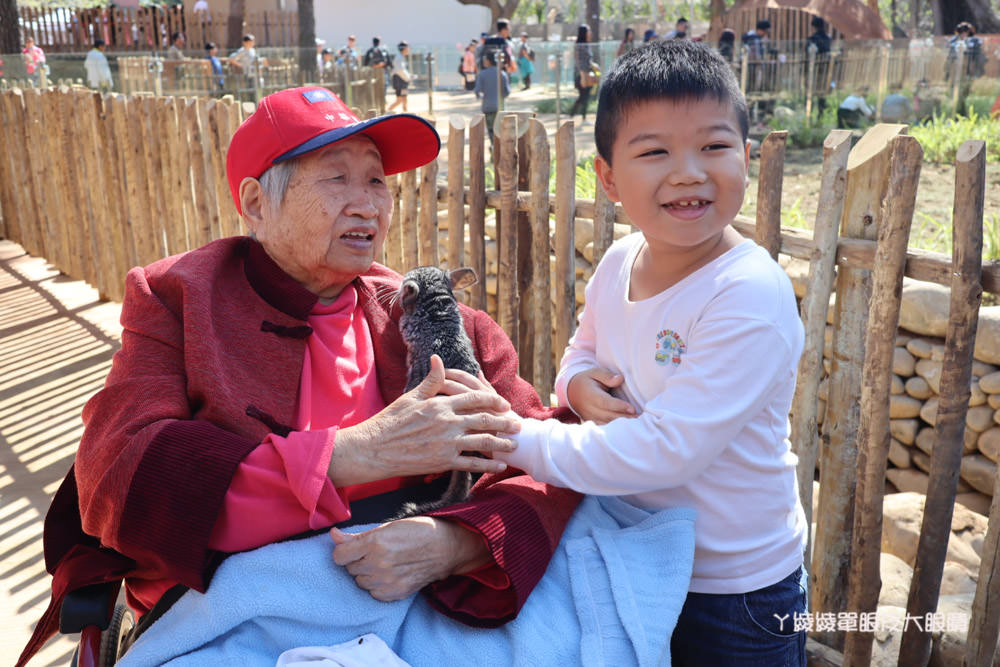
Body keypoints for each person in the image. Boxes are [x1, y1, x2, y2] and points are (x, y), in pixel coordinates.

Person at [17, 86, 582, 666]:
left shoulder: (441, 326)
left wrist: (457, 544)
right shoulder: (178, 301)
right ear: (257, 203)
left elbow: (550, 459)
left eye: (377, 181)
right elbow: (118, 477)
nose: (367, 204)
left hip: (413, 603)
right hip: (231, 618)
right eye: (336, 179)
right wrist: (352, 454)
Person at [495, 40, 808, 666]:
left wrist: (515, 441)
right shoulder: (619, 262)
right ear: (608, 178)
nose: (689, 171)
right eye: (655, 151)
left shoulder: (746, 292)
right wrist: (576, 387)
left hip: (733, 588)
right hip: (635, 552)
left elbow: (667, 452)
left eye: (714, 147)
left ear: (745, 159)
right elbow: (582, 353)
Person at [473, 50, 510, 147]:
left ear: (489, 61)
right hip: (500, 107)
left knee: (491, 130)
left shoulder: (482, 74)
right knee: (501, 130)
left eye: (485, 59)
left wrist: (483, 97)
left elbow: (478, 91)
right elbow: (507, 92)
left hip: (488, 107)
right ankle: (501, 149)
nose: (484, 61)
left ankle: (494, 148)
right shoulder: (502, 74)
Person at [569, 24, 597, 124]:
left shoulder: (586, 44)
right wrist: (583, 76)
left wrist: (593, 65)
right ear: (584, 33)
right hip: (581, 75)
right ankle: (576, 116)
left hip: (587, 74)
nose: (590, 33)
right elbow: (580, 62)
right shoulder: (579, 46)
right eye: (588, 31)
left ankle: (576, 115)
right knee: (583, 96)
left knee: (584, 96)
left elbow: (587, 60)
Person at [388, 41, 412, 112]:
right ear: (404, 49)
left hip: (402, 80)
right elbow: (400, 70)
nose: (409, 49)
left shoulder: (400, 57)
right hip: (400, 81)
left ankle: (405, 112)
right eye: (408, 48)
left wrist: (409, 76)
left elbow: (402, 69)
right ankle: (388, 111)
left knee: (404, 98)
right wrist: (408, 77)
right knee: (399, 100)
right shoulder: (399, 57)